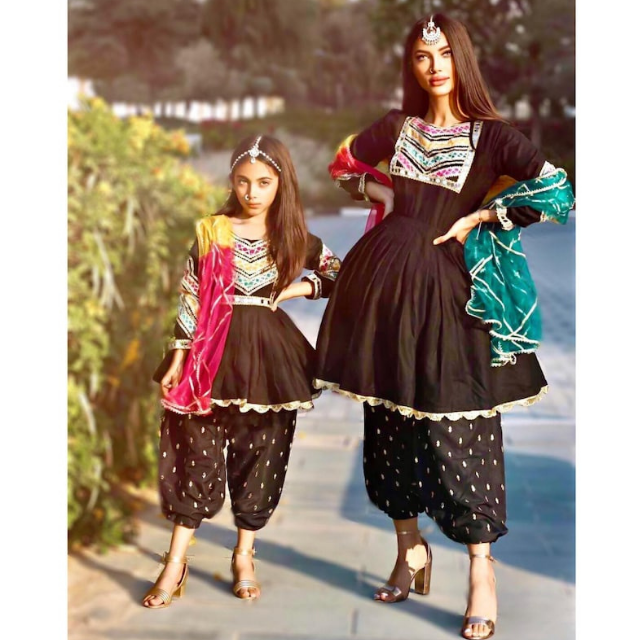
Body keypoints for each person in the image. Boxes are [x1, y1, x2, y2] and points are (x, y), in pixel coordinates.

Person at [314, 13, 574, 640]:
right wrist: (376, 192)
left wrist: (483, 217)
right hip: (382, 290)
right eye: (422, 56)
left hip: (456, 295)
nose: (434, 67)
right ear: (412, 65)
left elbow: (559, 191)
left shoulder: (494, 137)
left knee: (462, 424)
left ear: (462, 59)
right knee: (388, 419)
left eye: (444, 54)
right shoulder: (396, 127)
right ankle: (408, 548)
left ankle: (482, 571)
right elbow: (343, 163)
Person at [142, 134, 341, 608]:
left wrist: (295, 291)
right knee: (196, 451)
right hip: (211, 351)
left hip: (270, 356)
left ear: (281, 183)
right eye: (243, 181)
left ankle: (244, 556)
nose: (252, 192)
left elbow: (338, 273)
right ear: (232, 181)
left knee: (262, 452)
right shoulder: (213, 231)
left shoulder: (294, 237)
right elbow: (191, 292)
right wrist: (178, 354)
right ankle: (175, 561)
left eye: (264, 182)